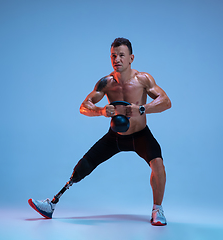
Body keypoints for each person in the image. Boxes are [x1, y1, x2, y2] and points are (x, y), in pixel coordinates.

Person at [28, 37, 171, 226]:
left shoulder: (143, 79)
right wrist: (101, 111)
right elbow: (84, 106)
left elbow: (166, 101)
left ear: (131, 58)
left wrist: (142, 109)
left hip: (140, 135)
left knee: (158, 164)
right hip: (115, 137)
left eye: (121, 55)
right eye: (113, 55)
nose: (117, 59)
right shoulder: (106, 83)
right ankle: (51, 204)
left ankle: (157, 210)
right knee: (83, 166)